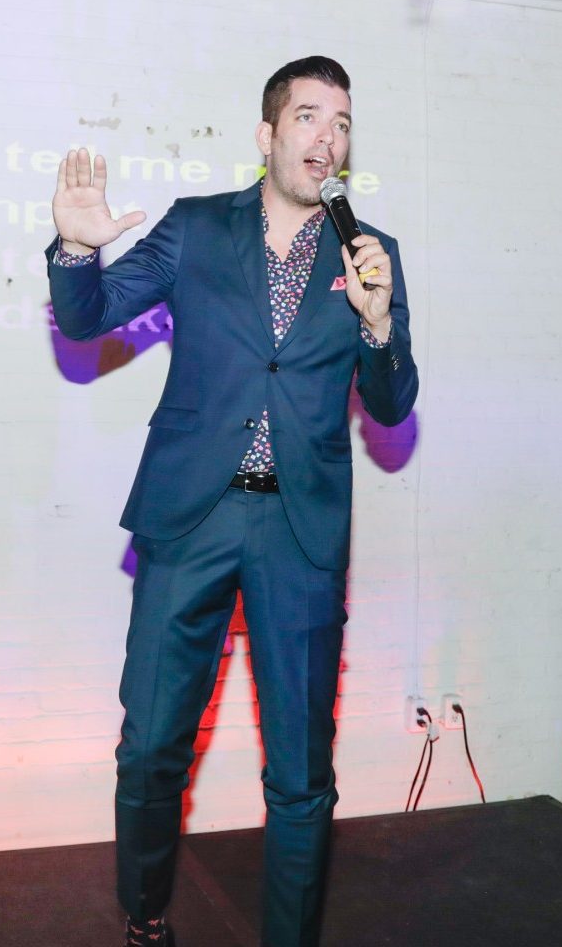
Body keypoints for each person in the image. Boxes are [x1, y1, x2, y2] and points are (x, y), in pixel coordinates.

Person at [47, 56, 418, 947]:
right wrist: (76, 250)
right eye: (309, 116)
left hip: (300, 531)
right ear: (267, 134)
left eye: (341, 123)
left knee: (301, 775)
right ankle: (145, 916)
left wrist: (378, 324)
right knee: (150, 748)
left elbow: (393, 405)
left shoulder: (371, 253)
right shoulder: (198, 227)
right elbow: (88, 317)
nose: (327, 137)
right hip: (192, 517)